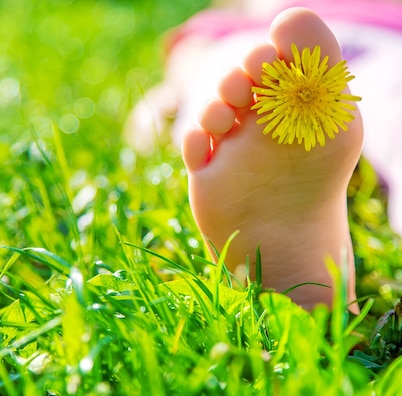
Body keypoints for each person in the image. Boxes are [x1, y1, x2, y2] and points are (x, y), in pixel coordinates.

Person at [126, 1, 402, 312]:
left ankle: (298, 295)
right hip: (272, 55)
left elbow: (190, 50)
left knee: (227, 97)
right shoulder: (237, 14)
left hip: (379, 37)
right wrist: (170, 90)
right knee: (229, 88)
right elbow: (191, 49)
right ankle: (298, 266)